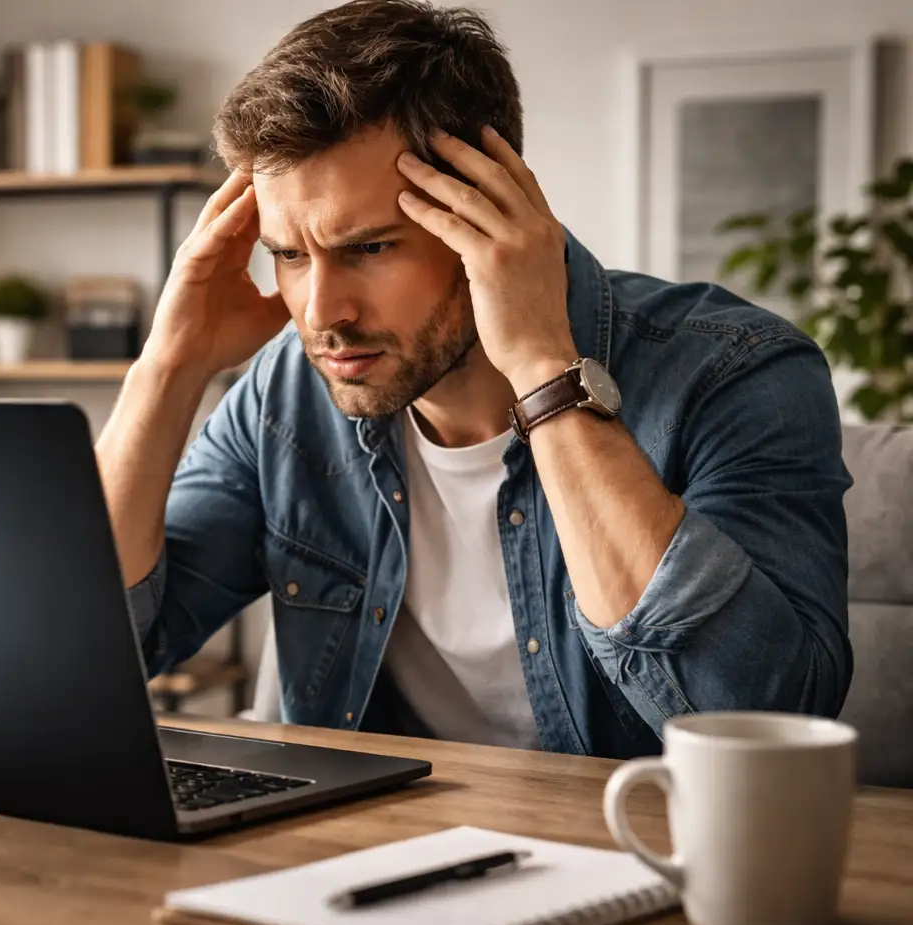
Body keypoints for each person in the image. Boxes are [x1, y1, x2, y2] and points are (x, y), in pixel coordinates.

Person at [94, 0, 852, 757]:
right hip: (357, 853)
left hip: (630, 853)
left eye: (369, 248)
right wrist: (169, 366)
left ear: (489, 211)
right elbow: (106, 648)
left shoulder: (736, 371)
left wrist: (543, 371)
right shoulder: (285, 393)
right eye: (289, 255)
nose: (322, 312)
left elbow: (759, 719)